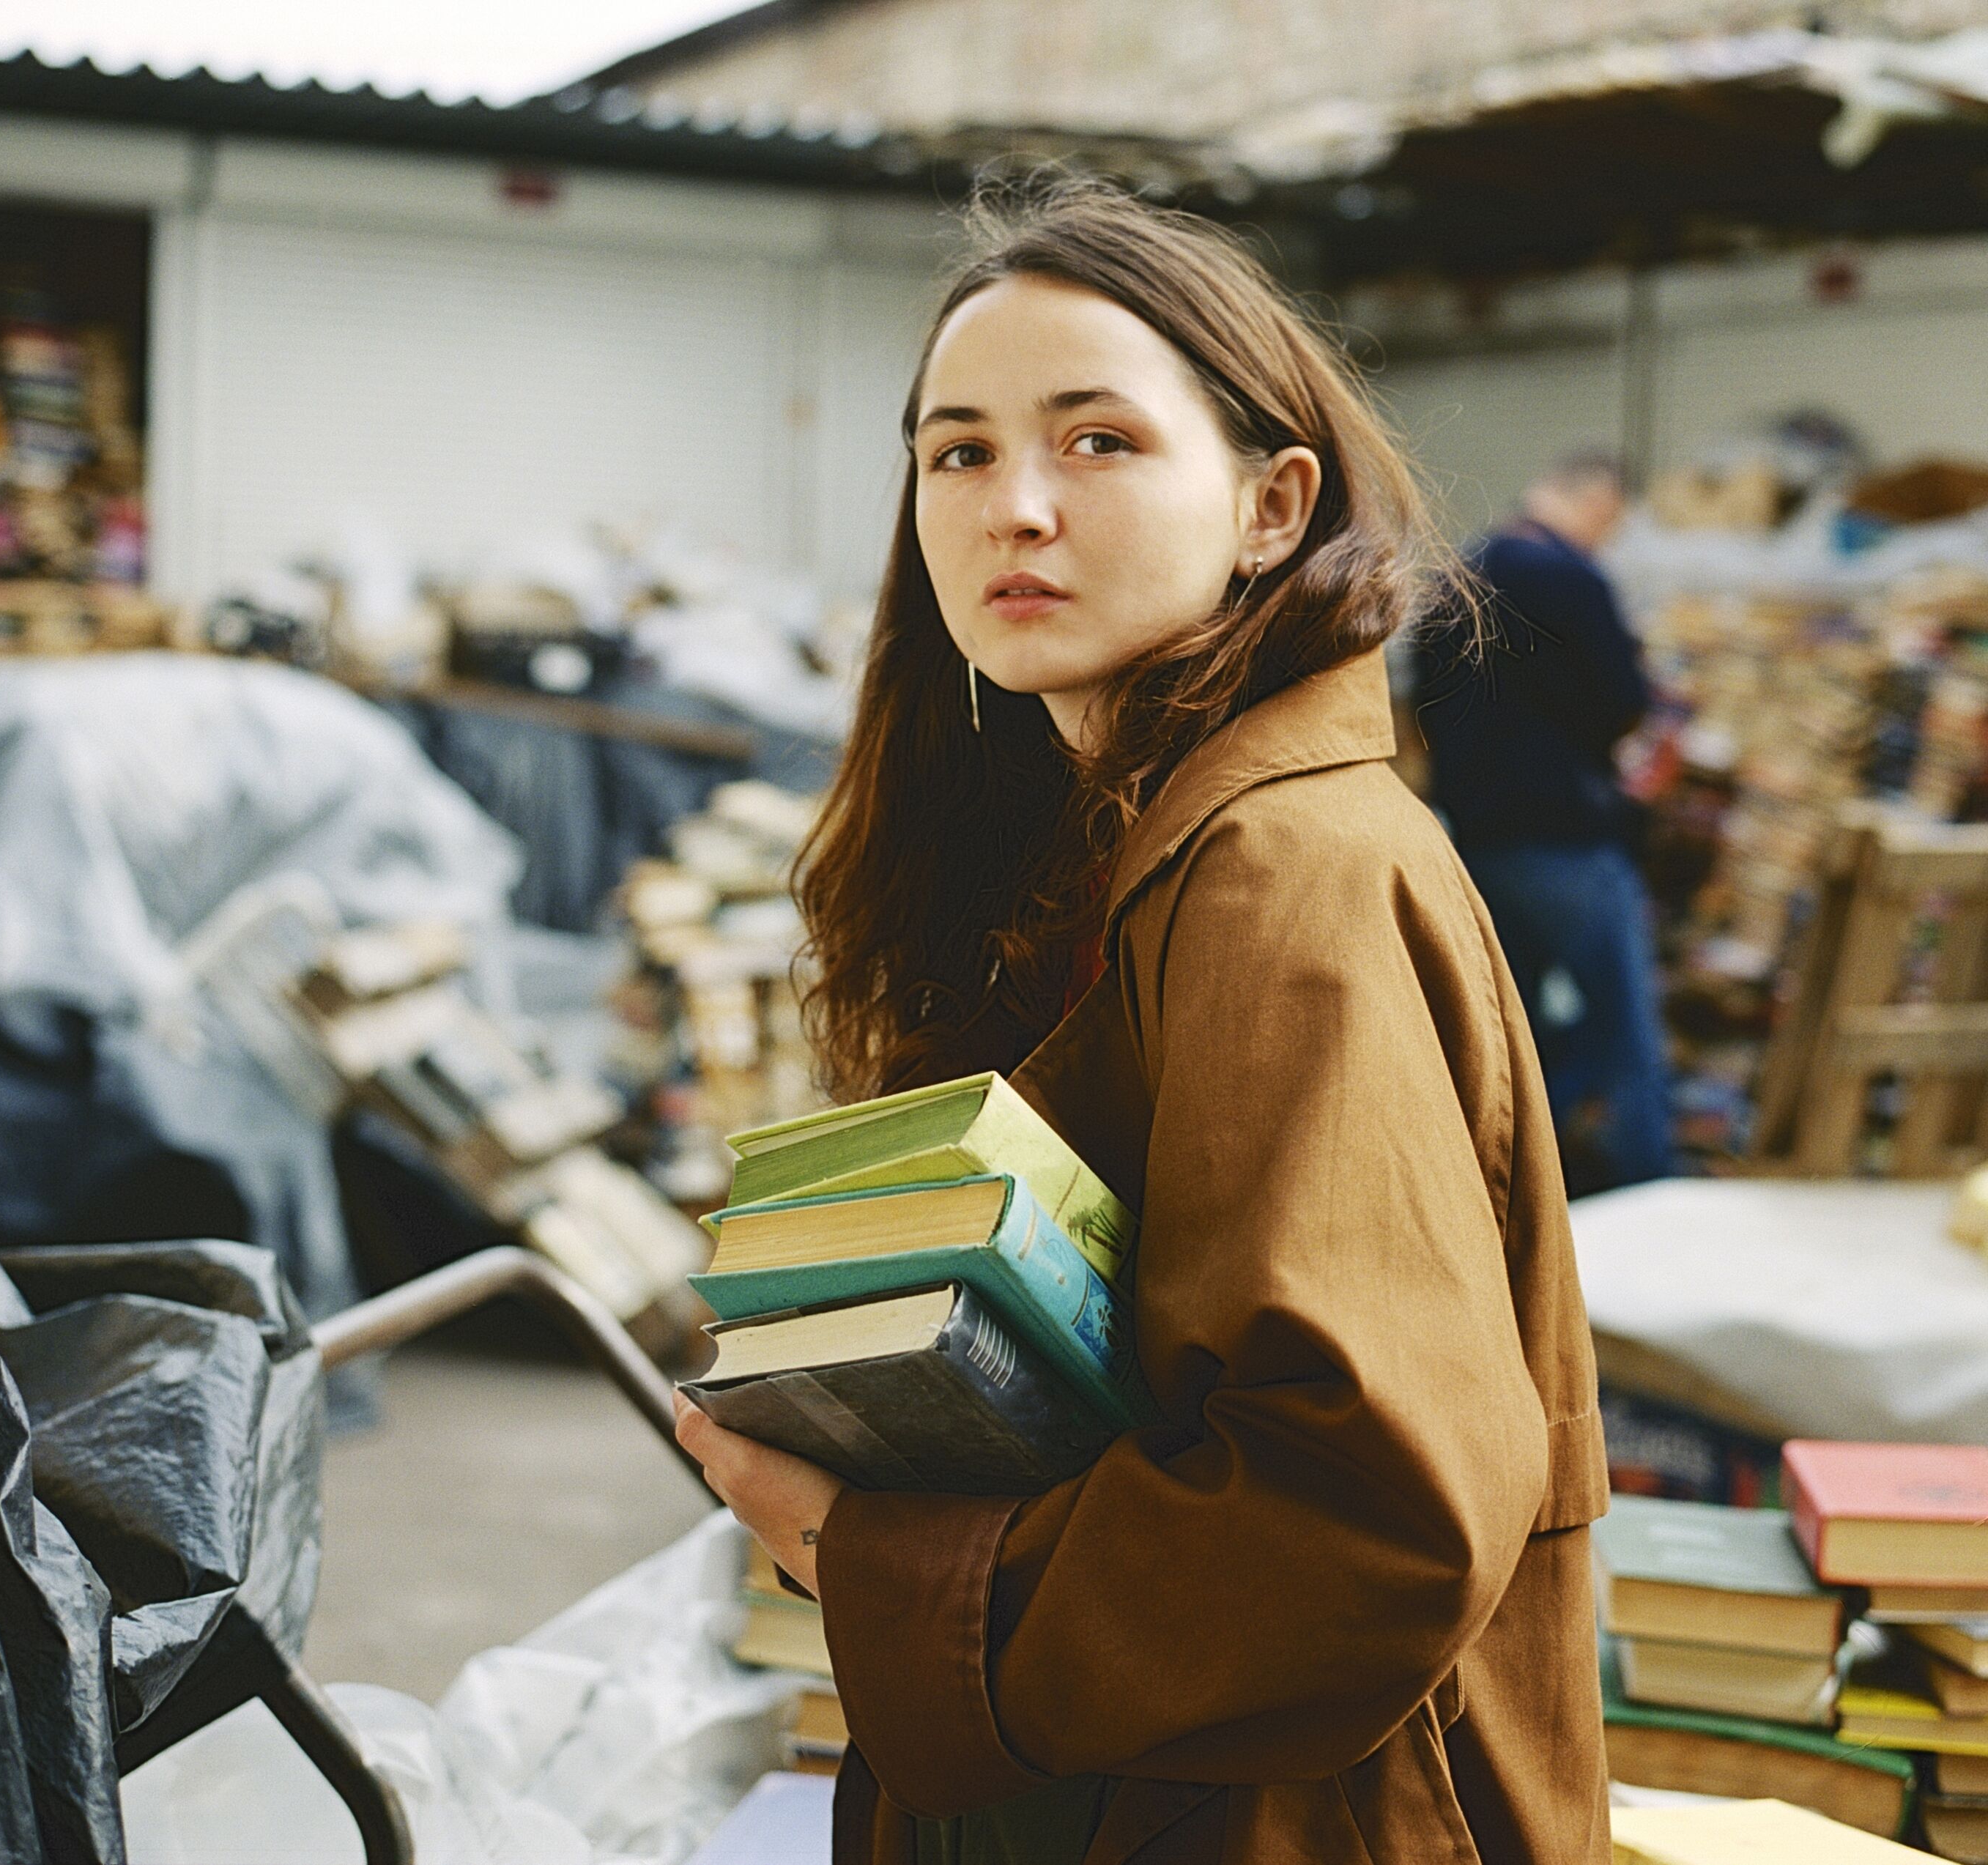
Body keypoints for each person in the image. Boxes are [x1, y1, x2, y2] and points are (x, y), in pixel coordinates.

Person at [672, 177, 1609, 1864]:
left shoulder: (1275, 866)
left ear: (1270, 504)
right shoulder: (1114, 832)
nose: (1012, 506)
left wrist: (859, 1545)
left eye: (1095, 441)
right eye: (956, 452)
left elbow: (1362, 1516)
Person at [1413, 456, 1674, 1190]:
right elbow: (1623, 700)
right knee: (1625, 1031)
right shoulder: (1572, 578)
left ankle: (1511, 1189)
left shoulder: (1459, 574)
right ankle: (1649, 1191)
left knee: (1511, 1035)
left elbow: (1422, 704)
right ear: (1592, 498)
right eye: (1612, 519)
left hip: (1481, 838)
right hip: (1566, 836)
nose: (1609, 536)